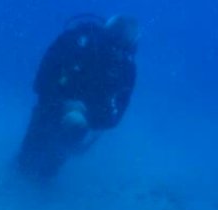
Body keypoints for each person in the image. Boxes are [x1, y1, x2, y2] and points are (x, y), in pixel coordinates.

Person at [17, 14, 138, 182]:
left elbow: (114, 116)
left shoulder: (125, 67)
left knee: (48, 172)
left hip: (79, 124)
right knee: (25, 162)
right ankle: (18, 180)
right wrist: (65, 105)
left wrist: (86, 117)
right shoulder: (75, 42)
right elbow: (41, 82)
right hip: (49, 107)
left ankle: (41, 186)